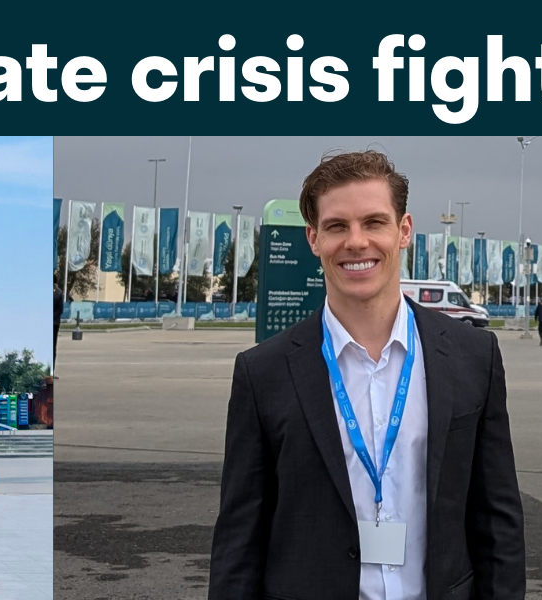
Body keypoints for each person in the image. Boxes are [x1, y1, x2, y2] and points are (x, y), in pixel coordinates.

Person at [210, 151, 523, 599]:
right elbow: (239, 537)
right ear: (314, 239)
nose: (356, 242)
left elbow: (499, 520)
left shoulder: (474, 356)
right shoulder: (264, 373)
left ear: (404, 231)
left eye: (374, 222)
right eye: (338, 226)